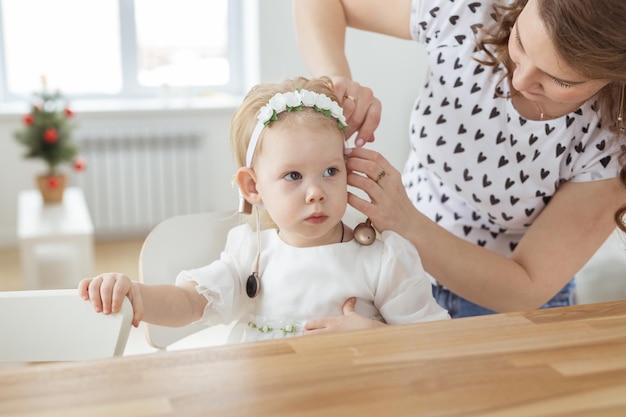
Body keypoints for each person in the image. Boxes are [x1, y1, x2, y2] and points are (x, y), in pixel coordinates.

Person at [293, 0, 626, 322]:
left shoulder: (611, 143)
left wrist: (406, 223)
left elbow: (525, 287)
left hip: (498, 312)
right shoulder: (470, 9)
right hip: (395, 276)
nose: (520, 80)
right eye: (521, 42)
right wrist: (337, 81)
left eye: (560, 80)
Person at [78, 76, 449, 343]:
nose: (316, 192)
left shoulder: (383, 258)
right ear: (253, 187)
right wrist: (136, 295)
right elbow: (190, 303)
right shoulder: (250, 253)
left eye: (331, 171)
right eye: (293, 176)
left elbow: (438, 341)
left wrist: (378, 338)